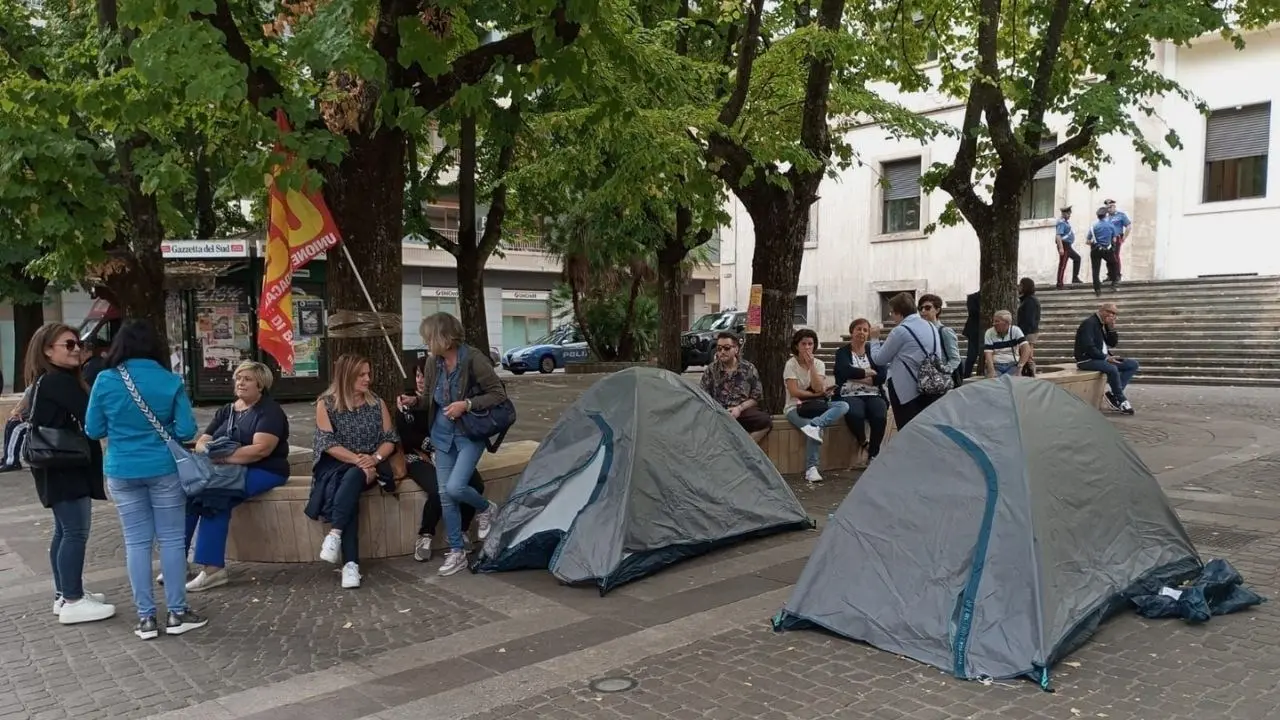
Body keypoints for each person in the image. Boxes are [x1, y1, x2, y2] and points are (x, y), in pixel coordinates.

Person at [85, 319, 207, 640]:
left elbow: (94, 429)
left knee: (136, 543)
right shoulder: (170, 381)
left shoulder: (105, 380)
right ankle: (178, 612)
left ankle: (146, 618)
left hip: (122, 470)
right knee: (170, 539)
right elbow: (185, 431)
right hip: (164, 468)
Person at [398, 313, 506, 577]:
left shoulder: (474, 359)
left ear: (442, 337)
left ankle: (486, 508)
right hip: (442, 436)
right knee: (446, 495)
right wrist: (414, 402)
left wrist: (467, 405)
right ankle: (456, 551)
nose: (425, 342)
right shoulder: (434, 362)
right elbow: (428, 399)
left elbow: (498, 394)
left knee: (457, 487)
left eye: (428, 337)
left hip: (469, 434)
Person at [26, 323, 114, 625]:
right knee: (74, 532)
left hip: (55, 464)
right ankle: (73, 600)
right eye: (69, 345)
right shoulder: (58, 382)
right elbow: (92, 413)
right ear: (48, 350)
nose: (77, 349)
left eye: (79, 344)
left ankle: (65, 594)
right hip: (64, 464)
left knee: (64, 531)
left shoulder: (47, 380)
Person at [178, 361, 290, 592]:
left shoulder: (269, 411)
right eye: (238, 378)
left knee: (216, 497)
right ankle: (177, 562)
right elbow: (202, 442)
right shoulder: (228, 410)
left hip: (265, 470)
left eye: (247, 379)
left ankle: (213, 570)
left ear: (261, 384)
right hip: (226, 470)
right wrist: (213, 452)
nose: (240, 382)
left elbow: (261, 450)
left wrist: (223, 457)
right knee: (190, 495)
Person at [306, 354, 400, 589]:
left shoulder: (376, 403)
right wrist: (360, 462)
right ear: (346, 376)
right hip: (338, 462)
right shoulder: (326, 403)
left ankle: (336, 536)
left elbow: (390, 439)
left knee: (353, 477)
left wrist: (375, 459)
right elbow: (328, 443)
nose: (368, 379)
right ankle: (350, 565)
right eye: (362, 375)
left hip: (371, 461)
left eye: (369, 373)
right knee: (350, 480)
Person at [397, 355, 485, 563]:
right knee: (439, 490)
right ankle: (425, 535)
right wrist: (431, 446)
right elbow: (407, 436)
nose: (420, 380)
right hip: (416, 456)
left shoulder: (442, 399)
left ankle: (462, 529)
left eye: (424, 375)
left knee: (475, 484)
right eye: (417, 375)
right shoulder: (405, 402)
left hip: (447, 452)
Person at [782, 328, 849, 484]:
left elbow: (819, 387)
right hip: (794, 407)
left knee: (843, 405)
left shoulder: (818, 364)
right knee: (814, 432)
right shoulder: (790, 364)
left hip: (816, 405)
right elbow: (794, 392)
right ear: (797, 346)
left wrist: (811, 366)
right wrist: (817, 395)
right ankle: (811, 468)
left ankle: (816, 424)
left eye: (810, 344)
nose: (807, 347)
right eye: (803, 344)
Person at [870, 292, 943, 429]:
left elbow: (879, 359)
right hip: (931, 384)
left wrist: (874, 338)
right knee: (925, 431)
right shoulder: (931, 327)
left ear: (899, 312)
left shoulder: (900, 331)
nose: (891, 315)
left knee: (907, 431)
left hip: (906, 390)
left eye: (892, 312)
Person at [699, 331, 771, 443]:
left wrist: (739, 408)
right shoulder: (711, 370)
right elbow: (702, 395)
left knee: (765, 421)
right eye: (719, 348)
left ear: (736, 349)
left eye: (726, 348)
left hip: (741, 412)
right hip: (718, 413)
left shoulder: (748, 368)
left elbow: (756, 397)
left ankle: (746, 448)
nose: (722, 352)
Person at [833, 319, 886, 466]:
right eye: (858, 329)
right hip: (849, 393)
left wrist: (855, 377)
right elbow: (843, 371)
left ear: (868, 334)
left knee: (879, 415)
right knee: (856, 414)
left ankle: (874, 454)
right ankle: (863, 442)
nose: (861, 332)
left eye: (865, 330)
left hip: (873, 393)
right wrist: (868, 373)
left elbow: (881, 376)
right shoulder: (842, 352)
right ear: (852, 331)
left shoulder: (874, 351)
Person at [1074, 302, 1139, 415]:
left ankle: (1113, 396)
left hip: (1101, 358)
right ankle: (1121, 400)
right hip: (1087, 360)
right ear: (1102, 310)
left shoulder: (1102, 324)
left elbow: (1112, 343)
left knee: (1132, 364)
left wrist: (1111, 328)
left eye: (1115, 314)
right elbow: (1088, 346)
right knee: (1112, 369)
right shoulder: (1089, 323)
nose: (1113, 316)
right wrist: (1105, 358)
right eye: (1111, 312)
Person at [983, 310, 1030, 377]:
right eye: (994, 321)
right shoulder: (989, 332)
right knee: (996, 383)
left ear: (1006, 323)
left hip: (1012, 365)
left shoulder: (1015, 330)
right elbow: (988, 353)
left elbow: (1026, 348)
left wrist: (1020, 367)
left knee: (1012, 382)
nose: (994, 324)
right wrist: (991, 370)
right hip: (995, 365)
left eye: (997, 321)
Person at [1086, 206, 1119, 296]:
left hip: (1095, 250)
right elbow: (1115, 239)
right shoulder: (1110, 225)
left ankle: (1097, 289)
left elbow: (1088, 241)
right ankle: (1114, 282)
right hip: (1107, 249)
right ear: (1106, 215)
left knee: (1095, 270)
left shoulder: (1093, 227)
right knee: (1114, 263)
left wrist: (1095, 243)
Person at [1017, 278, 1042, 377]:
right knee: (1026, 354)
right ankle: (1028, 371)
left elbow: (1029, 319)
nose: (1019, 287)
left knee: (1027, 354)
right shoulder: (1028, 300)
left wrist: (1021, 333)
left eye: (1021, 285)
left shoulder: (1030, 301)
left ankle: (1031, 372)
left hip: (1028, 332)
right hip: (1029, 331)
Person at [1104, 199, 1132, 282]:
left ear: (1114, 206)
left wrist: (1124, 238)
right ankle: (1110, 275)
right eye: (1107, 208)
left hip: (1117, 238)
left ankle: (1117, 275)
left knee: (1115, 256)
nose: (1108, 209)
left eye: (1110, 207)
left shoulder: (1121, 215)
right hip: (1107, 239)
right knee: (1108, 257)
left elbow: (1128, 226)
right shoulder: (1106, 217)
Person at [1055, 206, 1082, 289]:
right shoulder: (1061, 223)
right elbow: (1058, 236)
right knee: (1062, 264)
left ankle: (1075, 278)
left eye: (1070, 213)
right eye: (1068, 214)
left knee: (1077, 258)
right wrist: (1061, 248)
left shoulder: (1066, 222)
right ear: (1064, 214)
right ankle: (1059, 284)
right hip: (1064, 245)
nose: (1069, 215)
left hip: (1068, 246)